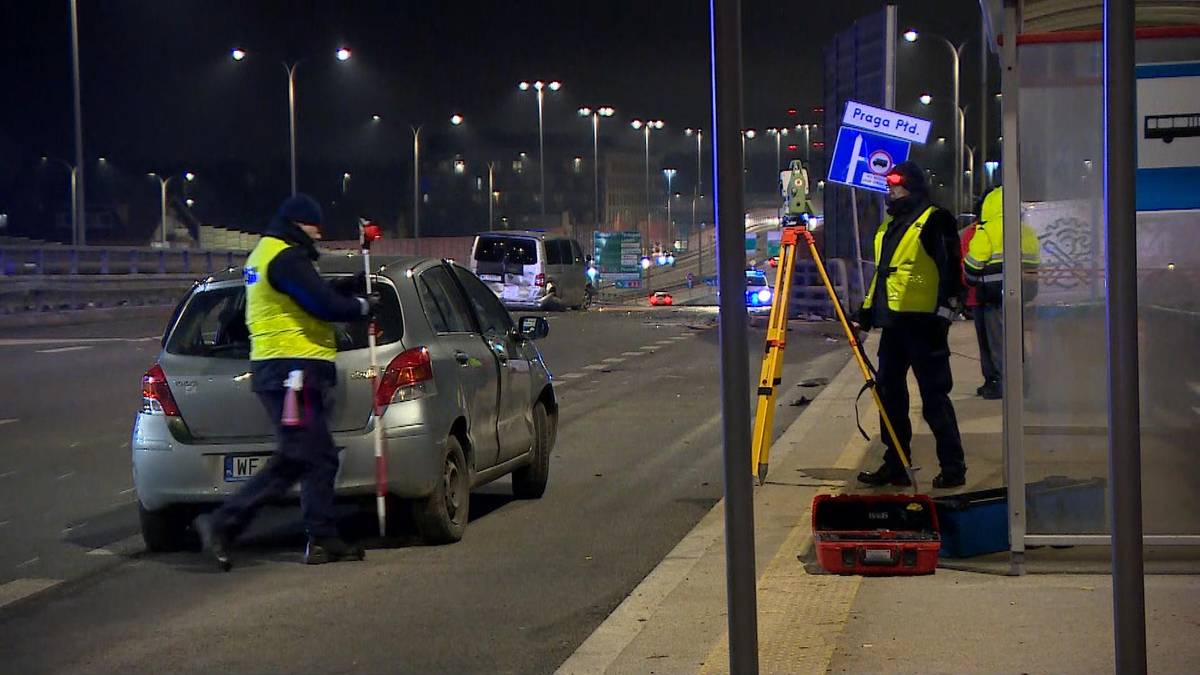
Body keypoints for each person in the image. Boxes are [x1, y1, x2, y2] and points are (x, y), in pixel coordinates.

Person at [195, 194, 377, 571]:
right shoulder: (287, 257)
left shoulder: (266, 255)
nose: (319, 234)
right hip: (292, 374)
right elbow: (321, 304)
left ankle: (323, 535)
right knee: (299, 454)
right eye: (315, 227)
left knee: (319, 456)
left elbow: (301, 296)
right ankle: (222, 523)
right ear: (300, 224)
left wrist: (346, 286)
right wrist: (361, 307)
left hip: (283, 370)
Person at [855, 161, 967, 489]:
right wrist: (865, 313)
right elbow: (884, 274)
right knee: (889, 395)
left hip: (925, 325)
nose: (890, 191)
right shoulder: (889, 225)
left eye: (895, 186)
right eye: (888, 186)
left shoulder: (934, 219)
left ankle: (953, 466)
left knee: (934, 398)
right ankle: (897, 463)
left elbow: (951, 269)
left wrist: (945, 313)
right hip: (894, 324)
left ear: (913, 187)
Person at [962, 186, 1041, 400]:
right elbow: (1035, 261)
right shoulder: (1026, 230)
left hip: (993, 294)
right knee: (1016, 339)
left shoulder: (986, 231)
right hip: (1023, 291)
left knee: (999, 343)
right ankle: (1026, 382)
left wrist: (971, 281)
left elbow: (972, 265)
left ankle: (1006, 385)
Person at [960, 212, 998, 397]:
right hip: (989, 294)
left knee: (988, 342)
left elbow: (967, 263)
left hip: (980, 295)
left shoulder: (977, 232)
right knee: (996, 340)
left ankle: (994, 379)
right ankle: (994, 379)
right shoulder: (1010, 227)